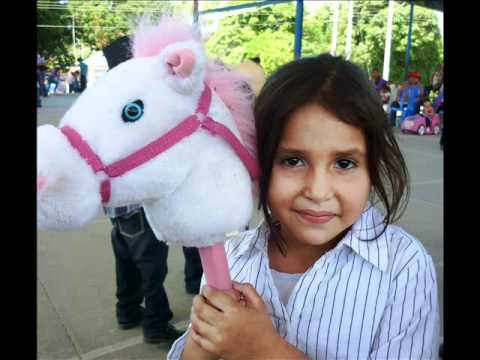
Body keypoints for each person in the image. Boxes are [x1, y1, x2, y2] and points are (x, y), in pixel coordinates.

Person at [168, 54, 439, 359]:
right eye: (293, 161)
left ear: (372, 168)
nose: (318, 191)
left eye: (345, 163)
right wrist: (202, 342)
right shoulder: (231, 259)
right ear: (260, 160)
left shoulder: (404, 267)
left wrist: (264, 350)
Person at [105, 204, 203, 345]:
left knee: (126, 263)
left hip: (118, 209)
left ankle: (127, 310)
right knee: (152, 271)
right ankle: (156, 326)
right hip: (141, 208)